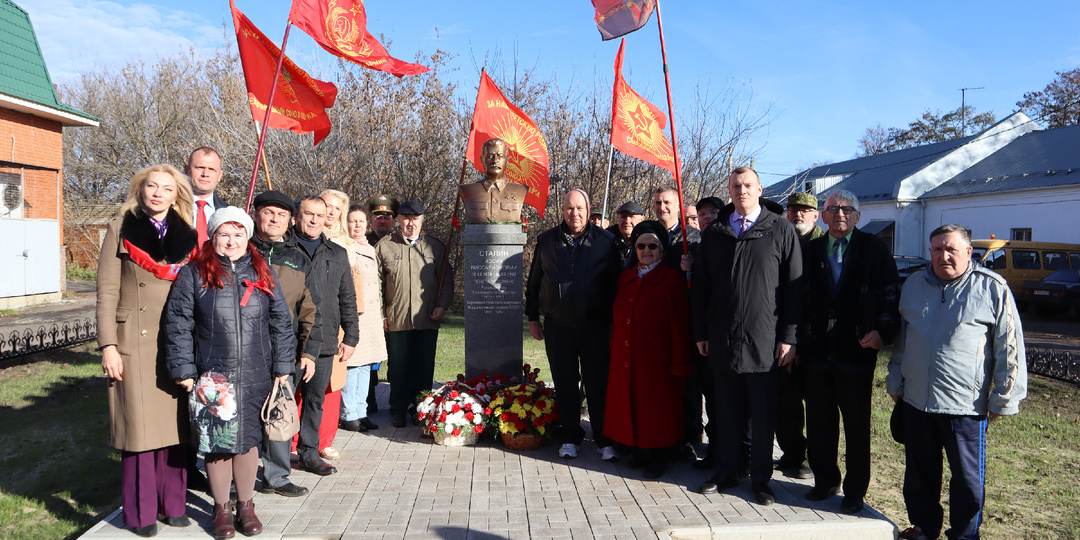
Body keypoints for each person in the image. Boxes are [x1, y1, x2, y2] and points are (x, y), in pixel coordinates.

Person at [888, 224, 1027, 540]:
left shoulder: (992, 288)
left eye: (951, 249)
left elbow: (1010, 346)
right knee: (920, 472)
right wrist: (896, 379)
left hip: (965, 405)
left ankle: (964, 534)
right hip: (917, 399)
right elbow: (902, 338)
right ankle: (924, 527)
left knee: (966, 479)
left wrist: (1004, 397)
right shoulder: (913, 284)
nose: (943, 256)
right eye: (937, 249)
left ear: (968, 252)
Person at [164, 207, 295, 539]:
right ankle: (222, 508)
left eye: (238, 234)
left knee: (249, 441)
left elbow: (281, 321)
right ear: (213, 236)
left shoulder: (263, 272)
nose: (231, 241)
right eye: (224, 234)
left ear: (247, 237)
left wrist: (282, 367)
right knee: (218, 443)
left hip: (256, 372)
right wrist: (184, 370)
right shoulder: (194, 273)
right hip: (213, 377)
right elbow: (178, 324)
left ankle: (247, 505)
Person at [97, 164, 197, 537]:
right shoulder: (120, 228)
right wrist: (108, 345)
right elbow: (106, 291)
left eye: (166, 188)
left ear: (177, 195)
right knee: (139, 432)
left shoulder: (187, 235)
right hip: (133, 344)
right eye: (151, 186)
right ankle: (139, 513)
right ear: (140, 190)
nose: (157, 193)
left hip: (175, 341)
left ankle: (173, 504)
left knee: (175, 428)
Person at [693, 167, 802, 506]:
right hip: (722, 339)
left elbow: (795, 289)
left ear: (759, 189)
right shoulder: (716, 233)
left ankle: (760, 480)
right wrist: (701, 331)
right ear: (729, 190)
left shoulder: (780, 230)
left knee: (761, 415)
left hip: (764, 342)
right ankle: (726, 472)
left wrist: (789, 337)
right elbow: (701, 288)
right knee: (724, 411)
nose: (741, 191)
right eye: (736, 186)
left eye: (747, 185)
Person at [800, 190, 900, 514]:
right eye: (833, 209)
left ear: (857, 216)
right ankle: (825, 480)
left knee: (857, 427)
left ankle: (855, 491)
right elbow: (797, 298)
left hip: (856, 351)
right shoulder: (810, 250)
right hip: (816, 353)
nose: (840, 214)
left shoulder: (874, 249)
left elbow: (889, 294)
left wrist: (883, 332)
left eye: (847, 209)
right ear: (824, 215)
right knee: (818, 423)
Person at [525, 189, 622, 461]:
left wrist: (615, 325)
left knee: (597, 383)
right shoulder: (546, 241)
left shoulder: (605, 241)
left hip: (595, 326)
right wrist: (533, 317)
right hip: (558, 326)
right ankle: (570, 436)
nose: (574, 214)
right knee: (565, 383)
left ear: (589, 210)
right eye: (569, 208)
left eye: (579, 208)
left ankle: (604, 438)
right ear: (562, 210)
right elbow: (534, 282)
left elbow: (617, 286)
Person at [604, 221, 693, 479]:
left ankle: (659, 456)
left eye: (652, 246)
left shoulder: (671, 279)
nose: (646, 250)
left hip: (658, 360)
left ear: (661, 249)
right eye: (641, 245)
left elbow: (680, 324)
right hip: (628, 356)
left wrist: (680, 362)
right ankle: (640, 452)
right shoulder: (626, 277)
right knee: (634, 406)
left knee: (657, 410)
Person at [249, 190, 322, 498]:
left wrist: (308, 352)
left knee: (279, 413)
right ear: (256, 215)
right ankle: (238, 476)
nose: (275, 218)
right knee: (245, 416)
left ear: (290, 219)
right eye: (268, 212)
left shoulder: (297, 258)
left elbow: (311, 310)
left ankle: (276, 476)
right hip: (243, 350)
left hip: (283, 352)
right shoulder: (241, 250)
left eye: (281, 214)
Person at [291, 196, 359, 476]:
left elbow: (348, 298)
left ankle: (309, 452)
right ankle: (278, 456)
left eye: (320, 215)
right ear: (297, 216)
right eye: (309, 214)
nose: (315, 220)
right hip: (289, 339)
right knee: (283, 400)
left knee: (315, 399)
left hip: (325, 339)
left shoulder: (336, 253)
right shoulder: (284, 249)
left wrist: (352, 336)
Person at [376, 200, 454, 428]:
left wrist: (442, 304)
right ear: (399, 220)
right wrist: (382, 314)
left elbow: (445, 280)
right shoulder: (384, 246)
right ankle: (398, 409)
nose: (411, 224)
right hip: (397, 318)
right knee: (398, 367)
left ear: (422, 220)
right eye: (406, 219)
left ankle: (420, 408)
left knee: (423, 367)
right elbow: (377, 284)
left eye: (415, 219)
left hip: (427, 316)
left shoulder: (435, 247)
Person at [773, 191, 825, 481]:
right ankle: (793, 454)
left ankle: (816, 463)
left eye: (805, 211)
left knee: (816, 403)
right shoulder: (783, 239)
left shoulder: (821, 245)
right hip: (786, 331)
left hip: (816, 336)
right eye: (793, 210)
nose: (798, 215)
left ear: (815, 216)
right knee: (787, 398)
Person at [313, 189, 365, 461]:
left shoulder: (346, 247)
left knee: (332, 386)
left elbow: (354, 297)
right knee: (306, 383)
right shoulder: (305, 237)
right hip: (308, 324)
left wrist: (350, 333)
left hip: (337, 325)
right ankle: (298, 439)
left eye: (336, 208)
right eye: (326, 206)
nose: (330, 212)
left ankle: (325, 439)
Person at [341, 204, 387, 431]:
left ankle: (361, 411)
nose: (357, 225)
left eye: (361, 221)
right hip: (353, 314)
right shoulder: (342, 247)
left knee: (366, 364)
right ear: (345, 223)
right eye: (352, 221)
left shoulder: (370, 248)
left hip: (371, 316)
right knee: (352, 364)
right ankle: (349, 413)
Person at [460, 138, 528, 223]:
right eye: (490, 156)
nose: (495, 161)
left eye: (500, 156)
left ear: (507, 161)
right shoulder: (467, 190)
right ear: (482, 160)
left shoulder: (521, 190)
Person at [184, 147, 229, 248]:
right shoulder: (169, 207)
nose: (205, 174)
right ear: (186, 170)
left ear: (220, 175)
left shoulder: (227, 212)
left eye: (212, 169)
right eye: (199, 168)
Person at [652, 185, 700, 271]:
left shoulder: (694, 237)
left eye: (667, 202)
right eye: (658, 203)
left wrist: (692, 266)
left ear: (679, 206)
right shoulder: (647, 233)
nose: (662, 207)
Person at [606, 201, 644, 266]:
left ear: (642, 219)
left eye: (632, 217)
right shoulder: (607, 240)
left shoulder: (648, 243)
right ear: (618, 218)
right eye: (623, 217)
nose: (627, 221)